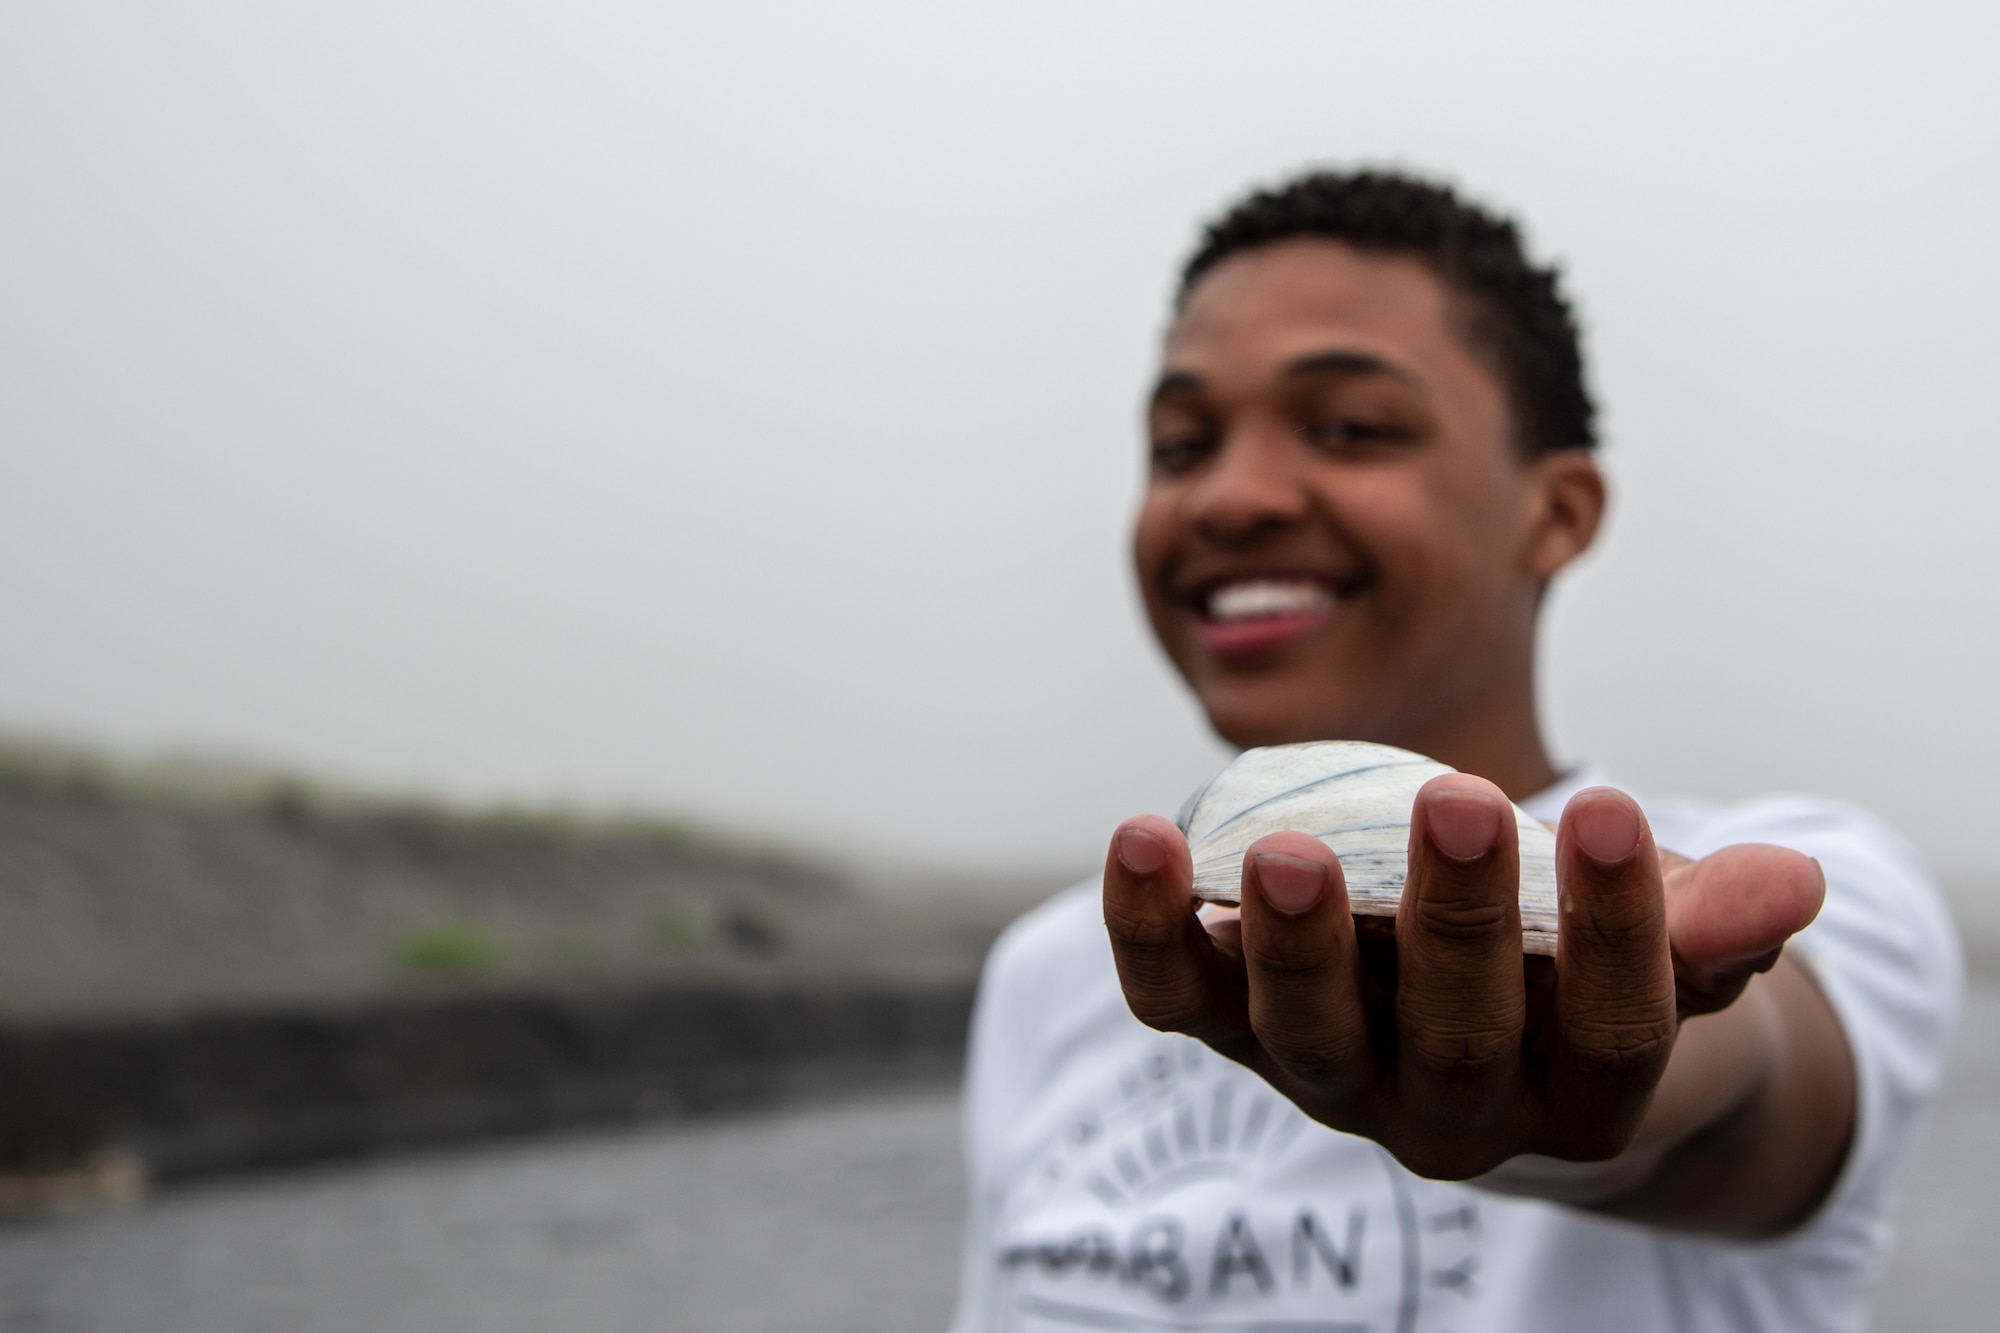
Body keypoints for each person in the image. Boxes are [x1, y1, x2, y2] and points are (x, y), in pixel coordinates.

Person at [948, 170, 1962, 1332]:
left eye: (1349, 427)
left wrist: (1606, 1061)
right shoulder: (1050, 973)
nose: (1228, 496)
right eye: (1181, 444)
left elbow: (1751, 1090)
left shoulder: (1819, 885)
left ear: (1559, 510)